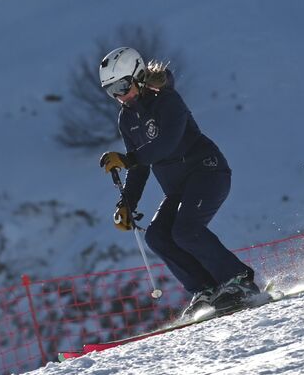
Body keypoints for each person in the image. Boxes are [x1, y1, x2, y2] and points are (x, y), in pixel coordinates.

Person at [97, 46, 260, 318]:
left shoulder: (167, 101)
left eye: (123, 85)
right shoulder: (126, 118)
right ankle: (206, 289)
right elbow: (140, 167)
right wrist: (127, 202)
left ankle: (239, 281)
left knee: (186, 231)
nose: (120, 95)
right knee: (157, 236)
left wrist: (128, 159)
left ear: (137, 76)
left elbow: (165, 145)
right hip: (179, 188)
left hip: (208, 173)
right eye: (111, 90)